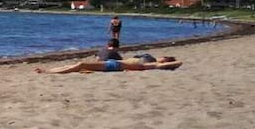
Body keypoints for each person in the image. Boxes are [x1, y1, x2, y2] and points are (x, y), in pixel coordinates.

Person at [39, 54, 179, 74]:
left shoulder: (153, 65)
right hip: (113, 63)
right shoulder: (150, 62)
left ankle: (50, 72)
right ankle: (49, 70)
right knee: (78, 65)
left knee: (81, 64)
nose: (161, 57)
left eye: (164, 58)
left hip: (114, 66)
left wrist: (171, 62)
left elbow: (179, 63)